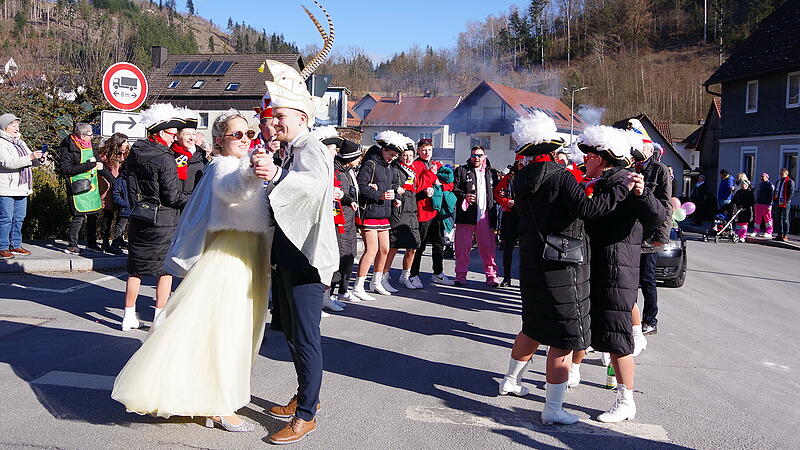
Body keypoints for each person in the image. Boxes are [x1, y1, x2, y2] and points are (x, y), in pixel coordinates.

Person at [112, 110, 270, 432]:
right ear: (220, 140)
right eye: (237, 135)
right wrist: (253, 171)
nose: (245, 140)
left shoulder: (238, 164)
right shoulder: (222, 167)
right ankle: (219, 406)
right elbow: (233, 189)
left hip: (247, 254)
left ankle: (212, 399)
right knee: (224, 331)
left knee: (232, 330)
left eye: (249, 134)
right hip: (228, 256)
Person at [498, 113, 642, 426]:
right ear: (552, 150)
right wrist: (620, 190)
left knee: (533, 326)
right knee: (564, 338)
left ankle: (510, 381)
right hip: (562, 265)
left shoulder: (521, 179)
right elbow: (590, 210)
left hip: (532, 263)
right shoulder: (561, 176)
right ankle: (553, 408)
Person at [253, 55, 338, 444]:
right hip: (289, 253)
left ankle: (307, 415)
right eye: (274, 116)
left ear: (303, 117)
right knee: (291, 332)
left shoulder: (311, 147)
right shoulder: (294, 148)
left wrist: (277, 174)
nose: (275, 122)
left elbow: (315, 188)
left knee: (305, 336)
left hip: (306, 259)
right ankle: (306, 396)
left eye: (281, 116)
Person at [581, 125, 664, 423]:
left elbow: (658, 216)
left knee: (619, 339)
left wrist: (641, 193)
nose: (584, 159)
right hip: (603, 266)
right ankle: (569, 380)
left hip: (617, 268)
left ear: (600, 158)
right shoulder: (604, 181)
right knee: (598, 334)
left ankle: (626, 401)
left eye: (588, 155)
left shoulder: (623, 181)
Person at [120, 104, 188, 332]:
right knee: (164, 270)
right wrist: (194, 198)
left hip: (139, 216)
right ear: (159, 133)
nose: (174, 138)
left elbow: (128, 184)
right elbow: (172, 196)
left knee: (135, 269)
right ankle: (159, 318)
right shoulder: (165, 158)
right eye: (171, 133)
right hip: (163, 221)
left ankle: (128, 316)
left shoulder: (135, 152)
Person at [627, 119, 671, 337]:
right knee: (629, 282)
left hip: (650, 237)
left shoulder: (659, 171)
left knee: (647, 280)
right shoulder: (629, 168)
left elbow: (666, 204)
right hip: (630, 235)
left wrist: (662, 235)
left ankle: (650, 320)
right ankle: (630, 320)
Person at [352, 131, 402, 299]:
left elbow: (393, 185)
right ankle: (358, 286)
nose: (392, 158)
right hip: (370, 212)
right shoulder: (370, 164)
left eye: (395, 156)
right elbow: (361, 187)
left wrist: (396, 198)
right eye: (390, 154)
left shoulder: (391, 167)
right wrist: (379, 195)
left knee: (385, 249)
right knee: (371, 250)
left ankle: (376, 282)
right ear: (383, 149)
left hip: (384, 213)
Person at [409, 139, 455, 287]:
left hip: (437, 211)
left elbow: (450, 184)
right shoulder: (414, 165)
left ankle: (438, 273)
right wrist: (430, 174)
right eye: (423, 149)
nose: (426, 152)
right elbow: (416, 186)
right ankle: (413, 275)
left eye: (428, 149)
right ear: (418, 150)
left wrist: (441, 184)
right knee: (419, 245)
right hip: (422, 211)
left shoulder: (437, 164)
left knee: (438, 243)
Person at [452, 145, 500, 286]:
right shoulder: (461, 170)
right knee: (462, 247)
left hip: (486, 215)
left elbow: (498, 191)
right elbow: (454, 188)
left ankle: (491, 276)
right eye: (473, 155)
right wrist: (464, 196)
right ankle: (460, 275)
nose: (476, 158)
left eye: (479, 155)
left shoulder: (492, 173)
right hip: (466, 215)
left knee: (488, 248)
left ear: (484, 156)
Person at [0, 113, 42, 259]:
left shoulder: (21, 143)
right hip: (6, 187)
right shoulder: (1, 143)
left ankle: (15, 245)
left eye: (17, 125)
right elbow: (8, 162)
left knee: (19, 218)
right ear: (4, 127)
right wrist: (30, 157)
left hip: (22, 187)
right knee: (6, 218)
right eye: (13, 125)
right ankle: (3, 247)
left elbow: (30, 161)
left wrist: (39, 159)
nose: (17, 128)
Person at [382, 142, 421, 291]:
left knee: (413, 246)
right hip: (398, 211)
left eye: (411, 155)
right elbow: (388, 183)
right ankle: (384, 277)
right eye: (405, 155)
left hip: (412, 211)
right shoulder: (394, 168)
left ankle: (405, 276)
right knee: (394, 245)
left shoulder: (413, 170)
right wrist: (395, 190)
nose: (408, 158)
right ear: (400, 156)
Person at [328, 139, 362, 305]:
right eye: (358, 157)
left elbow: (346, 193)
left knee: (349, 255)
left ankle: (343, 290)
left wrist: (350, 200)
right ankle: (330, 294)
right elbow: (337, 192)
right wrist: (347, 199)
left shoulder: (348, 171)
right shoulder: (335, 170)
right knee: (340, 257)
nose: (360, 160)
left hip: (350, 219)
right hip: (339, 219)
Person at [60, 122, 103, 254]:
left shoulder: (91, 145)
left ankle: (92, 243)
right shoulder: (69, 147)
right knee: (78, 216)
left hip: (92, 185)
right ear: (81, 135)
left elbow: (98, 163)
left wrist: (112, 180)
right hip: (77, 186)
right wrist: (89, 166)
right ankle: (72, 245)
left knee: (93, 215)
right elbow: (66, 169)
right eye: (90, 135)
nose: (92, 137)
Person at [494, 156, 525, 286]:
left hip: (525, 215)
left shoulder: (533, 175)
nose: (522, 164)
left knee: (526, 249)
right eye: (520, 162)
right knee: (508, 248)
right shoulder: (509, 177)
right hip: (510, 214)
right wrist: (506, 201)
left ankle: (526, 279)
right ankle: (507, 277)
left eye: (524, 162)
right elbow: (497, 193)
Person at [97, 133, 129, 254]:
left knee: (123, 212)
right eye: (124, 143)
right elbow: (100, 168)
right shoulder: (106, 155)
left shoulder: (125, 154)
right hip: (108, 187)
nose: (126, 145)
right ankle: (105, 241)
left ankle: (118, 238)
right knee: (108, 214)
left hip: (121, 187)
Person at [171, 110, 208, 197]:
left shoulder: (201, 157)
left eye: (194, 134)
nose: (191, 138)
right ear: (177, 136)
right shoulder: (169, 154)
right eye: (187, 134)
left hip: (194, 201)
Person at [773, 168, 796, 242]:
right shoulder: (778, 181)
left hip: (785, 202)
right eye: (780, 173)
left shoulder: (790, 181)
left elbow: (791, 192)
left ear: (786, 173)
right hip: (778, 202)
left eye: (782, 173)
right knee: (778, 218)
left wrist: (787, 200)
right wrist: (774, 200)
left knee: (785, 219)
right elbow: (775, 191)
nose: (780, 174)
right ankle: (779, 234)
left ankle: (785, 235)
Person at [753, 173, 774, 238]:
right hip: (759, 203)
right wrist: (756, 202)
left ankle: (769, 232)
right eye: (761, 176)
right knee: (757, 219)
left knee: (767, 219)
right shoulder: (760, 185)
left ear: (767, 177)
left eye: (763, 176)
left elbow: (772, 196)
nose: (762, 177)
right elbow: (757, 194)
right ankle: (756, 231)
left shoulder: (770, 185)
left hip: (766, 204)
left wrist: (770, 204)